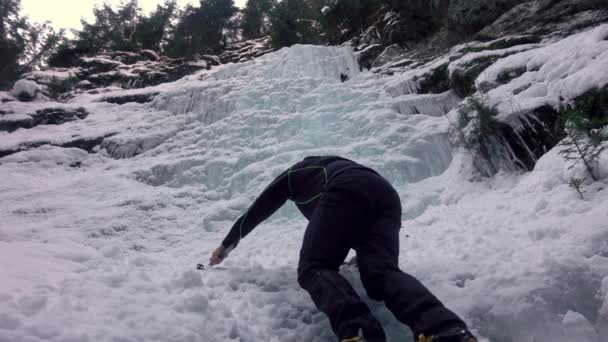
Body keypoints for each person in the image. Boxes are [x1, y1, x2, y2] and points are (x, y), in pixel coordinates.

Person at [210, 156, 478, 342]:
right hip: (386, 195)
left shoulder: (295, 173)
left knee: (314, 268)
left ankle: (359, 330)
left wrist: (226, 245)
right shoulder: (337, 166)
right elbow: (351, 224)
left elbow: (258, 209)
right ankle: (445, 329)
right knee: (380, 273)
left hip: (345, 190)